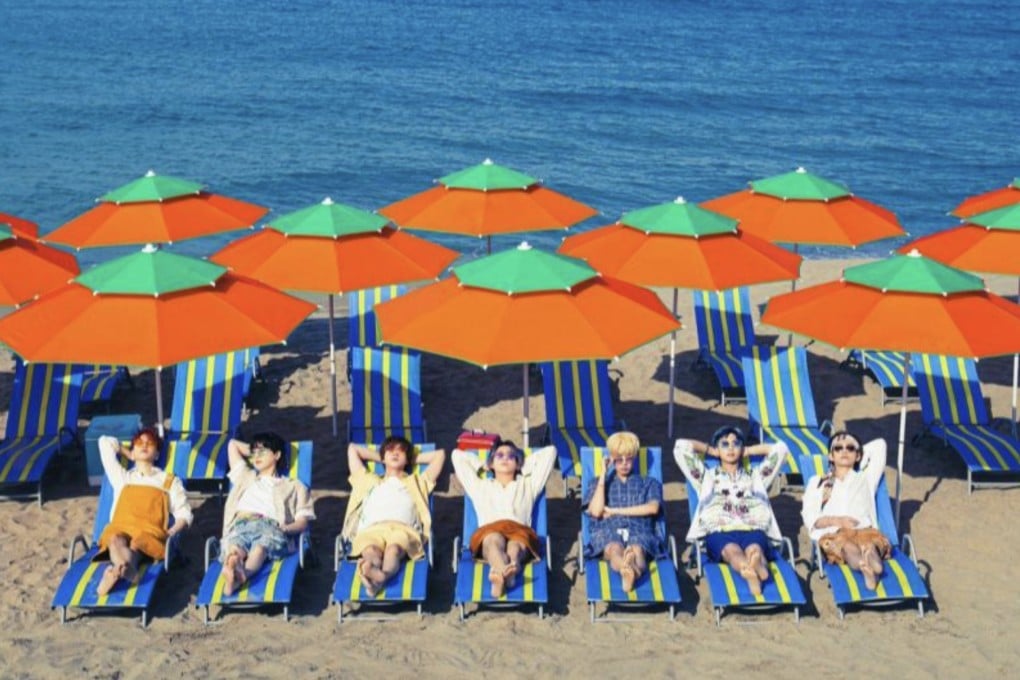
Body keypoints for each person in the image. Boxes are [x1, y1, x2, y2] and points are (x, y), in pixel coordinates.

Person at [673, 426, 788, 596]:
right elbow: (680, 447)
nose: (731, 447)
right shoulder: (706, 477)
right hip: (720, 530)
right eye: (724, 444)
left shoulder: (756, 476)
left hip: (752, 528)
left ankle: (756, 564)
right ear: (718, 449)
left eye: (736, 443)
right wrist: (709, 450)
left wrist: (748, 450)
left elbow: (781, 449)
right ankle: (748, 571)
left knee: (755, 547)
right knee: (731, 551)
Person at [451, 438, 556, 598]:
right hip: (490, 531)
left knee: (514, 547)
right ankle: (508, 576)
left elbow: (551, 452)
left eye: (511, 456)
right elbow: (456, 456)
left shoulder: (529, 484)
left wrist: (524, 465)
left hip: (519, 532)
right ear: (492, 464)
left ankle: (502, 578)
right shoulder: (480, 486)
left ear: (518, 463)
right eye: (499, 455)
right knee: (493, 541)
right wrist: (483, 465)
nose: (505, 458)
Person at [342, 437, 445, 597]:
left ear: (407, 459)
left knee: (394, 549)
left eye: (400, 451)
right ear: (383, 457)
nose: (395, 453)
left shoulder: (417, 481)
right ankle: (376, 574)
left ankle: (381, 575)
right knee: (371, 550)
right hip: (372, 529)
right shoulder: (368, 479)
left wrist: (410, 458)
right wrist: (383, 457)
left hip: (403, 529)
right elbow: (353, 449)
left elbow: (440, 455)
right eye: (390, 450)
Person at [95, 427, 192, 596]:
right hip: (121, 527)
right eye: (139, 443)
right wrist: (128, 453)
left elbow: (184, 513)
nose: (144, 445)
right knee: (115, 539)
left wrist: (172, 531)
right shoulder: (123, 477)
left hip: (149, 530)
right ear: (133, 450)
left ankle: (116, 571)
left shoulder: (168, 481)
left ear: (157, 454)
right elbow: (104, 442)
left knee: (138, 543)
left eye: (150, 443)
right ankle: (124, 568)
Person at [219, 433, 316, 596]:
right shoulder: (245, 475)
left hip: (270, 526)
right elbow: (232, 445)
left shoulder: (294, 486)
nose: (256, 456)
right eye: (254, 453)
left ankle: (240, 575)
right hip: (241, 523)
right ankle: (234, 564)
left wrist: (286, 529)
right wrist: (256, 451)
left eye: (263, 452)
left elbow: (303, 522)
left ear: (277, 455)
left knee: (260, 548)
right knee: (235, 547)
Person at [801, 431, 892, 590]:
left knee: (870, 546)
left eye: (850, 448)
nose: (844, 451)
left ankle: (874, 568)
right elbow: (809, 515)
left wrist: (858, 452)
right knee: (848, 547)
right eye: (838, 448)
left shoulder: (866, 478)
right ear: (830, 456)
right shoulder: (818, 482)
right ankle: (865, 568)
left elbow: (880, 445)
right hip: (837, 533)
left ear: (858, 456)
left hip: (865, 531)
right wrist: (837, 520)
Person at [582, 431, 663, 592]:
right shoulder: (597, 483)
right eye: (619, 459)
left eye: (629, 458)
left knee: (637, 548)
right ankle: (627, 570)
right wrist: (603, 476)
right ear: (611, 458)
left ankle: (630, 568)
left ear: (635, 457)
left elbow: (653, 508)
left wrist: (615, 510)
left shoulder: (649, 483)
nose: (624, 463)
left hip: (639, 530)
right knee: (614, 548)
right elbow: (596, 512)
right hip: (609, 530)